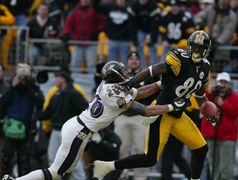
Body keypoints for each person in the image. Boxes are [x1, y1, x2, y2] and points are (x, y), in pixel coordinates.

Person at [2, 61, 186, 180]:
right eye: (122, 70)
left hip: (78, 127)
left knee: (62, 172)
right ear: (116, 75)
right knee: (56, 173)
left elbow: (141, 93)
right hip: (79, 131)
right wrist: (172, 107)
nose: (126, 71)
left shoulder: (114, 86)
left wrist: (163, 83)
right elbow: (146, 111)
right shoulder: (114, 93)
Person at [93, 30, 216, 180]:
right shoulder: (179, 59)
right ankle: (107, 166)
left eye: (200, 48)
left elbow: (200, 95)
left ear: (206, 50)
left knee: (201, 148)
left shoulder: (205, 67)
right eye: (195, 46)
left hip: (178, 115)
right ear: (189, 46)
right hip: (161, 113)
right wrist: (131, 83)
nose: (197, 50)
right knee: (149, 159)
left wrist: (207, 109)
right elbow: (151, 70)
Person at [39, 71, 88, 180]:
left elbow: (86, 109)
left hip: (70, 133)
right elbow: (46, 114)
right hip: (55, 131)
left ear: (63, 79)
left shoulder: (74, 93)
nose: (55, 79)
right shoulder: (55, 94)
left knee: (74, 161)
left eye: (57, 77)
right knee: (52, 158)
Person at [114, 52, 155, 180]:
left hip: (140, 117)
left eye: (136, 58)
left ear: (140, 61)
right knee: (122, 148)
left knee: (141, 149)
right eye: (131, 58)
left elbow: (152, 93)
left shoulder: (146, 75)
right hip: (122, 116)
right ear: (127, 61)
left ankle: (141, 177)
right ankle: (122, 175)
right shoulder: (120, 75)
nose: (133, 60)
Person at [0, 63, 44, 177]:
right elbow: (3, 105)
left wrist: (32, 85)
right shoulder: (10, 88)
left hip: (27, 129)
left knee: (24, 161)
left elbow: (40, 102)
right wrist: (12, 86)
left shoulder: (32, 89)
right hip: (11, 127)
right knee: (5, 159)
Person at [201, 72, 238, 180]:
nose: (222, 85)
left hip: (227, 138)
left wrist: (223, 104)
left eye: (225, 82)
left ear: (229, 84)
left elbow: (235, 113)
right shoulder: (210, 95)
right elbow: (201, 105)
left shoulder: (234, 97)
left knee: (226, 169)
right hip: (211, 136)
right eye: (220, 82)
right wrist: (208, 92)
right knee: (213, 168)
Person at [62, 0, 105, 73]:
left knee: (91, 65)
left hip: (91, 42)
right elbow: (68, 23)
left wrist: (97, 32)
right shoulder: (75, 10)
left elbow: (102, 21)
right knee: (75, 64)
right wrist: (67, 33)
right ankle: (74, 83)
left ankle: (91, 83)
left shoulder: (95, 9)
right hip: (78, 42)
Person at [194, 0, 237, 69]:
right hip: (207, 42)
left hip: (221, 48)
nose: (223, 1)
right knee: (202, 67)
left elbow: (228, 31)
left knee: (218, 70)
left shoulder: (232, 15)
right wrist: (200, 23)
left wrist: (218, 42)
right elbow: (198, 16)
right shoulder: (210, 10)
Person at [128, 0, 161, 68]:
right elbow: (132, 23)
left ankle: (154, 68)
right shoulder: (134, 5)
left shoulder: (153, 5)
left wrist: (153, 39)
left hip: (151, 30)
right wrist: (134, 38)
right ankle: (142, 69)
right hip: (140, 29)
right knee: (139, 47)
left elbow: (155, 23)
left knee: (152, 48)